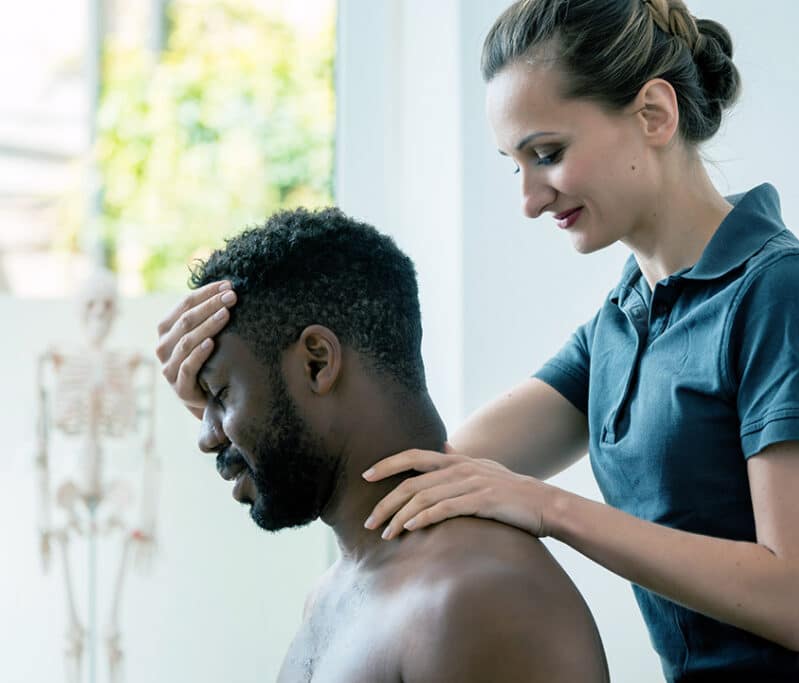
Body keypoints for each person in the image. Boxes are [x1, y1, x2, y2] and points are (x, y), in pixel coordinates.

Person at [158, 1, 799, 681]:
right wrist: (236, 394)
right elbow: (417, 473)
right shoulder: (622, 321)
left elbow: (797, 598)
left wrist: (550, 507)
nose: (530, 198)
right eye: (514, 164)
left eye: (548, 153)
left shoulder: (783, 295)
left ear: (655, 114)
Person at [156, 207, 609, 682]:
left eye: (221, 395)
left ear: (317, 363)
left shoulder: (477, 599)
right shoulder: (334, 593)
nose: (207, 437)